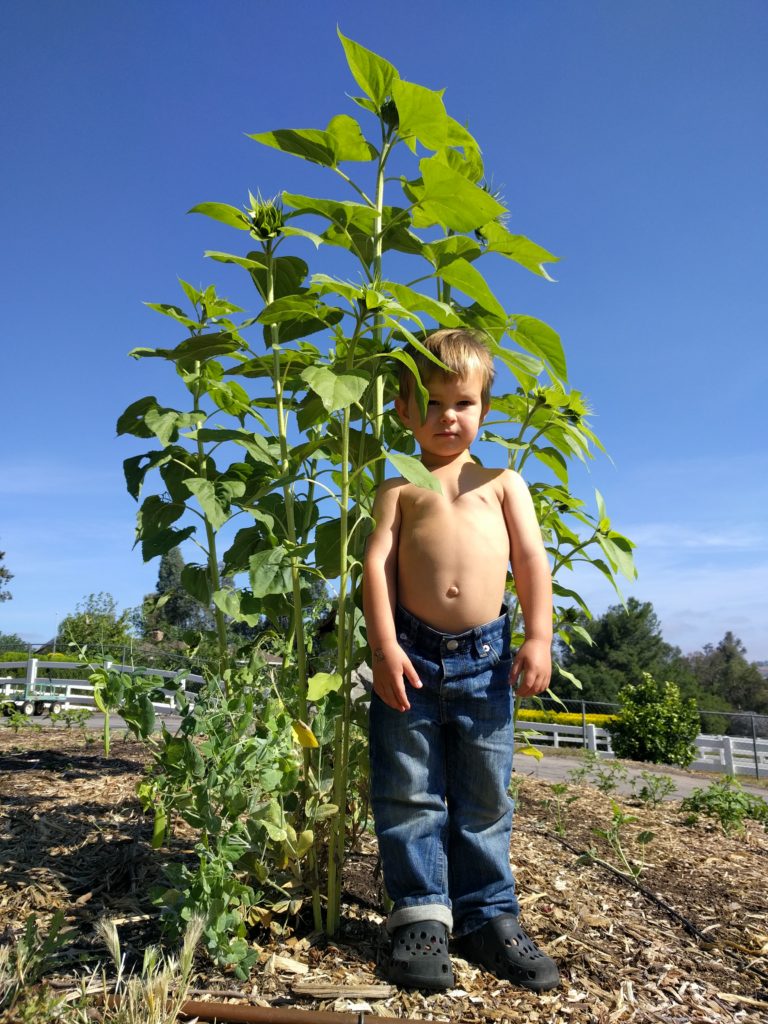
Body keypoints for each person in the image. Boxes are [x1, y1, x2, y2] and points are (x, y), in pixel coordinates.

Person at [363, 328, 560, 992]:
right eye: (435, 403)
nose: (450, 417)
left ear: (485, 409)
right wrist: (384, 647)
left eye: (465, 403)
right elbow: (377, 565)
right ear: (403, 410)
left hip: (486, 663)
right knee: (408, 791)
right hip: (410, 661)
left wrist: (538, 637)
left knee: (484, 796)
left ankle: (487, 915)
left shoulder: (504, 483)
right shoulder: (397, 487)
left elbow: (531, 560)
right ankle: (421, 913)